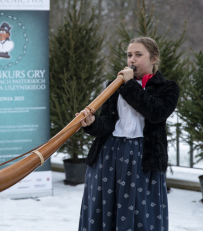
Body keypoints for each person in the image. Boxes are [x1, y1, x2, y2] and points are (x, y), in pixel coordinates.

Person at [77, 37, 179, 231]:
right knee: (104, 207)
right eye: (129, 55)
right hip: (109, 154)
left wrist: (129, 84)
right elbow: (107, 124)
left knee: (141, 211)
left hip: (143, 157)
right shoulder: (114, 85)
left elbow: (155, 113)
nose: (132, 60)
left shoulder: (167, 87)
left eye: (138, 55)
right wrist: (92, 123)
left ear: (154, 58)